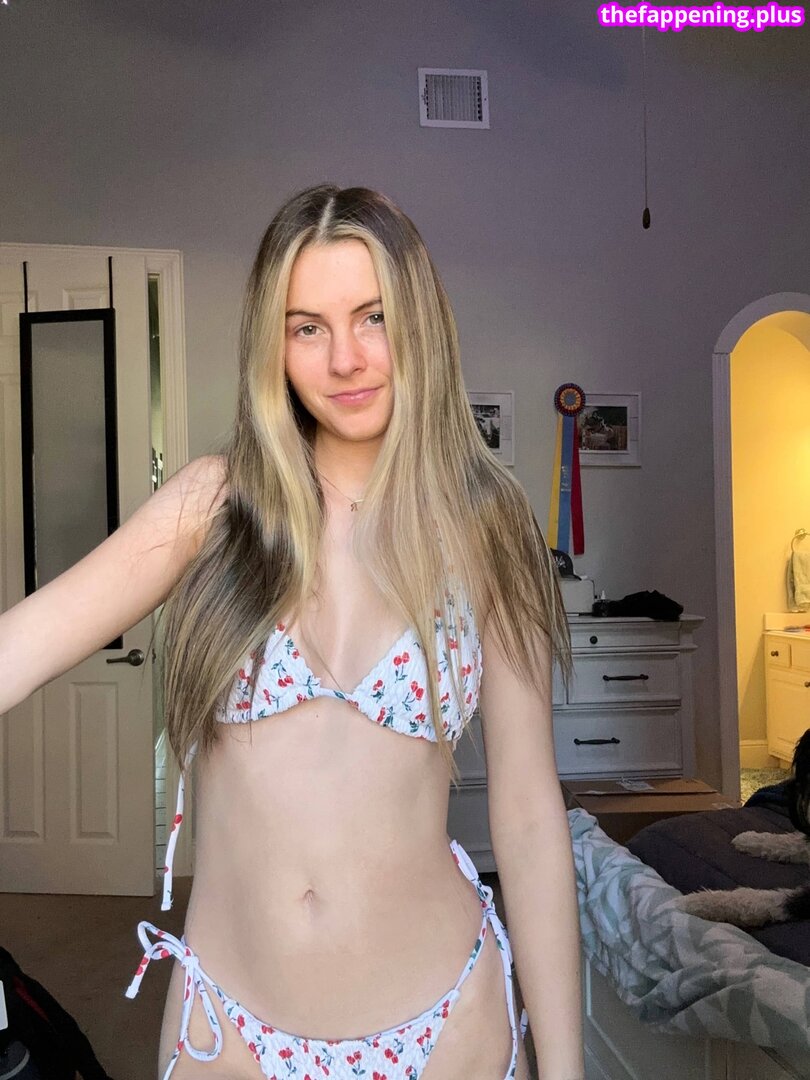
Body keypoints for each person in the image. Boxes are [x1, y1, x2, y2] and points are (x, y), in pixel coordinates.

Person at [2, 184, 584, 1079]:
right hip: (228, 1029)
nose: (346, 359)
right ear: (272, 345)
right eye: (307, 327)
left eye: (373, 317)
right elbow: (22, 646)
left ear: (421, 322)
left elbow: (530, 816)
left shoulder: (486, 526)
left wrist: (566, 1068)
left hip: (445, 1023)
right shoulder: (214, 503)